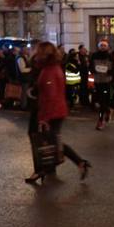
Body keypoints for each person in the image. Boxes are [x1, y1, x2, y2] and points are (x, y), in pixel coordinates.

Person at [26, 42, 91, 184]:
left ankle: (48, 168)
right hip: (56, 110)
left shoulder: (49, 71)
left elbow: (51, 96)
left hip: (51, 112)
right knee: (52, 141)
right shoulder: (52, 68)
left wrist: (44, 118)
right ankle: (76, 163)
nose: (35, 54)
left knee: (49, 141)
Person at [90, 40, 114, 129]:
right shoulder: (94, 56)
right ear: (98, 47)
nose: (103, 47)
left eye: (104, 45)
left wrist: (110, 73)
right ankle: (108, 110)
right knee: (101, 102)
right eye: (101, 45)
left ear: (107, 47)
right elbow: (91, 67)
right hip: (97, 82)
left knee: (103, 101)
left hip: (106, 82)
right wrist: (93, 71)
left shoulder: (110, 57)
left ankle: (100, 121)